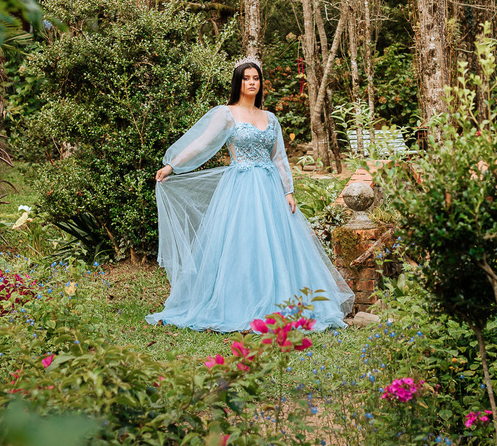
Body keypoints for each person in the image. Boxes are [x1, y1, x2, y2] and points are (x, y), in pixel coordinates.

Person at [147, 58, 353, 331]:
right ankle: (237, 302)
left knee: (276, 245)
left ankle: (280, 303)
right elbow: (201, 144)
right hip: (240, 189)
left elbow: (279, 157)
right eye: (246, 78)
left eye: (256, 77)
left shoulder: (271, 118)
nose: (252, 82)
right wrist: (173, 165)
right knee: (242, 243)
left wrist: (288, 191)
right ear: (238, 82)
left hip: (270, 190)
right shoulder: (226, 113)